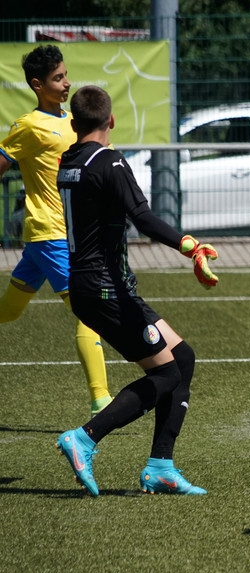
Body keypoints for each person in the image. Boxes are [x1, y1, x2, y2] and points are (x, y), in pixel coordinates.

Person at [54, 85, 219, 498]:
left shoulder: (68, 162)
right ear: (111, 120)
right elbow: (142, 218)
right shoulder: (109, 161)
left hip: (94, 285)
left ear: (73, 123)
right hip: (105, 289)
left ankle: (161, 466)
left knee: (182, 357)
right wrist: (190, 245)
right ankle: (84, 438)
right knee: (166, 374)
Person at [0, 45, 112, 416]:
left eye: (65, 75)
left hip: (64, 234)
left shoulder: (75, 121)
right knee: (89, 310)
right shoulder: (28, 126)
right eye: (57, 78)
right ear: (37, 85)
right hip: (50, 233)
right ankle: (101, 400)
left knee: (10, 310)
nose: (66, 83)